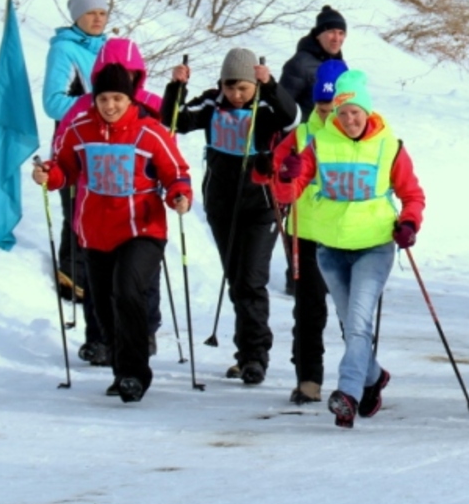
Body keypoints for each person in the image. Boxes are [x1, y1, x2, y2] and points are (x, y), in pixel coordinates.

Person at [33, 58, 193, 403]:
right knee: (103, 305)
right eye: (103, 99)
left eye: (117, 99)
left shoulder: (150, 132)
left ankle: (135, 373)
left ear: (130, 98)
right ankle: (121, 373)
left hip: (142, 229)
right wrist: (48, 175)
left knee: (128, 291)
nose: (110, 106)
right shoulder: (79, 130)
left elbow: (176, 172)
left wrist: (179, 195)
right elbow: (64, 170)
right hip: (96, 231)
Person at [276, 70, 426, 428]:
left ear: (367, 111)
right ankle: (374, 376)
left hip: (373, 247)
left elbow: (412, 195)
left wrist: (409, 224)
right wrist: (286, 174)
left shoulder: (389, 145)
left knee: (358, 324)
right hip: (330, 249)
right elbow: (288, 195)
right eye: (342, 113)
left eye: (355, 112)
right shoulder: (320, 144)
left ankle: (348, 392)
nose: (348, 120)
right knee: (349, 323)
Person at [163, 48, 298, 386]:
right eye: (230, 87)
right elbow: (175, 120)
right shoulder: (212, 103)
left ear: (255, 84)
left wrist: (270, 86)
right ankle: (245, 352)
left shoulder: (266, 105)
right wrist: (176, 87)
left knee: (251, 280)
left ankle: (255, 357)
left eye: (243, 88)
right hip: (222, 204)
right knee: (237, 279)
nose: (236, 95)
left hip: (262, 204)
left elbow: (292, 118)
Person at [55, 38, 168, 360]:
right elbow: (64, 144)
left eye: (130, 74)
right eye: (114, 71)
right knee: (99, 278)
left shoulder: (151, 104)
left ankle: (145, 331)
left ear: (138, 75)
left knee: (139, 277)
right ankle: (100, 338)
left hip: (139, 206)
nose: (122, 80)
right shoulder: (84, 106)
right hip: (95, 203)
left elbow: (167, 142)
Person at [270, 59, 347, 404]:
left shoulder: (361, 132)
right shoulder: (301, 135)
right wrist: (281, 172)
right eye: (322, 109)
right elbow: (273, 176)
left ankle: (359, 377)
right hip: (308, 230)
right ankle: (308, 378)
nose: (328, 116)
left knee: (352, 312)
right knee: (309, 308)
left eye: (335, 109)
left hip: (352, 233)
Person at [41, 0, 110, 362]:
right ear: (76, 16)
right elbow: (54, 103)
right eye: (91, 13)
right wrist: (99, 104)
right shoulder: (64, 49)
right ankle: (73, 279)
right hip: (75, 141)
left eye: (102, 12)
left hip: (108, 144)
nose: (98, 18)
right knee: (78, 213)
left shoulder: (109, 48)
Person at [278, 5, 347, 121]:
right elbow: (282, 107)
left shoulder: (340, 65)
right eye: (331, 32)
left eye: (341, 33)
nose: (337, 38)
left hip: (333, 130)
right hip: (306, 130)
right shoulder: (300, 64)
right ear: (318, 35)